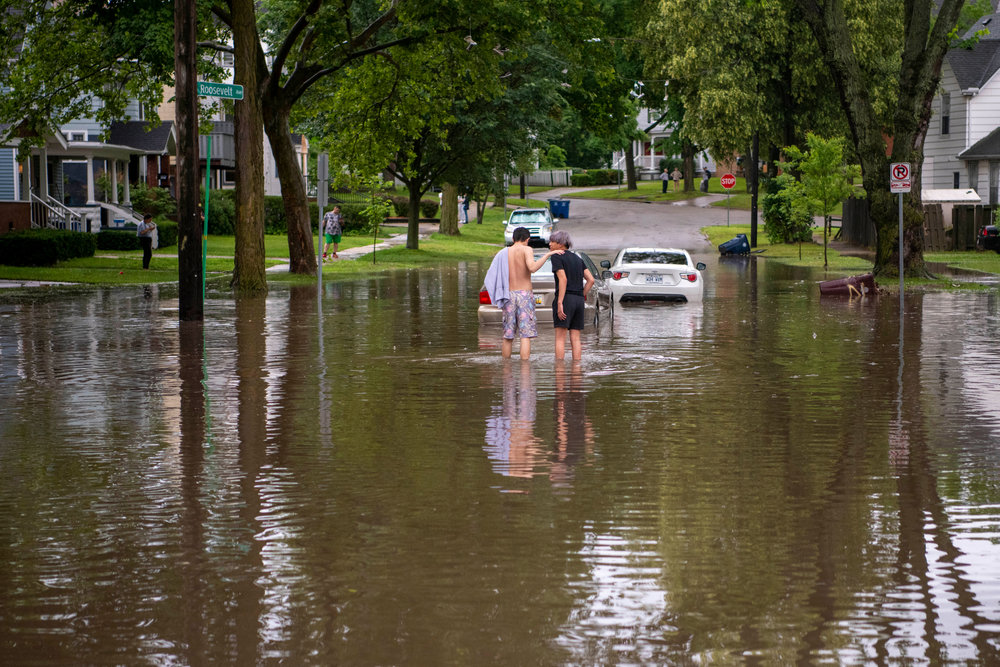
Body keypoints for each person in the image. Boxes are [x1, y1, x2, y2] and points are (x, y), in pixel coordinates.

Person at [483, 226, 562, 360]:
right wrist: (548, 254)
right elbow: (532, 268)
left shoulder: (504, 252)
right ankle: (525, 370)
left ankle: (506, 368)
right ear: (527, 239)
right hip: (524, 295)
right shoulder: (527, 249)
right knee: (525, 335)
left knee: (508, 335)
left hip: (508, 295)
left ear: (513, 238)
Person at [548, 230, 594, 361]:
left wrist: (559, 302)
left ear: (561, 244)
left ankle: (560, 372)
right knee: (576, 337)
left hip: (566, 299)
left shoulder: (556, 257)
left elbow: (563, 279)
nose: (550, 244)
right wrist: (581, 295)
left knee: (560, 338)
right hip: (578, 300)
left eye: (552, 241)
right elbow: (591, 280)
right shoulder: (577, 258)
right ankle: (576, 370)